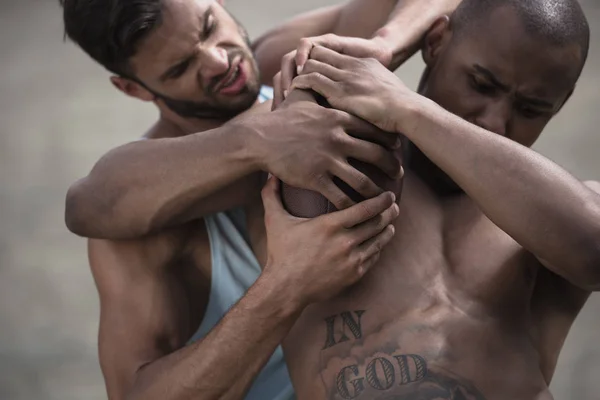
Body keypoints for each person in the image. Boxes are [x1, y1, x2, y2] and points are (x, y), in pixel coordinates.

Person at [59, 0, 461, 399]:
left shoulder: (280, 62)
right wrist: (285, 286)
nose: (219, 61)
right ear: (132, 88)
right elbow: (85, 205)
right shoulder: (141, 219)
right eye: (180, 68)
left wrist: (385, 44)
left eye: (209, 26)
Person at [275, 0, 600, 398]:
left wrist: (408, 108)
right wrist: (387, 43)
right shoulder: (320, 162)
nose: (495, 122)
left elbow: (594, 248)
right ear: (435, 41)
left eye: (531, 108)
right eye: (481, 84)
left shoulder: (557, 212)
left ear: (560, 103)